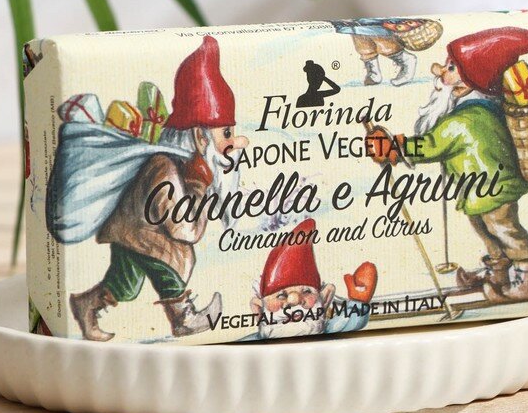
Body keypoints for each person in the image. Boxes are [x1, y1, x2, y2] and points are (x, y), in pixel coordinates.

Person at [69, 37, 249, 341]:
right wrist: (198, 184)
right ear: (200, 137)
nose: (238, 142)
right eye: (227, 133)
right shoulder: (166, 168)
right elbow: (185, 229)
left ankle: (85, 304)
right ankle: (183, 318)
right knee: (170, 264)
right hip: (140, 235)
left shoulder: (177, 165)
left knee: (125, 286)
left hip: (134, 235)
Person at [367, 27, 528, 303]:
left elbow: (432, 145)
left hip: (494, 189)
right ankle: (498, 276)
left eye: (451, 68)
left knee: (504, 231)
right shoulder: (471, 110)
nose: (441, 73)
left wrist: (396, 146)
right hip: (480, 191)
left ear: (469, 82)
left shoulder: (465, 120)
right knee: (487, 231)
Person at [241, 219, 378, 341]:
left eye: (306, 291)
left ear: (325, 299)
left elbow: (350, 321)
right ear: (258, 309)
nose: (294, 300)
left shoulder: (329, 331)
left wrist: (358, 301)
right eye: (281, 295)